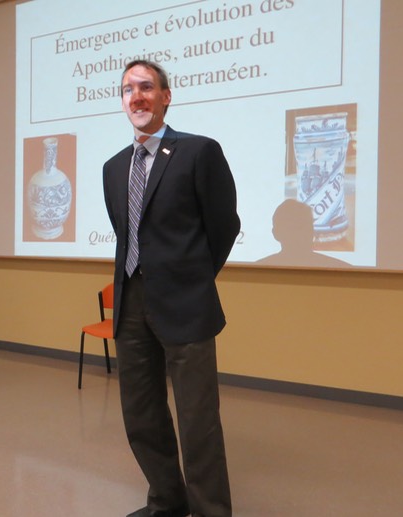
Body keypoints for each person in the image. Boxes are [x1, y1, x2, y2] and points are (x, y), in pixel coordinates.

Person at [103, 60, 240, 517]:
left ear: (166, 96)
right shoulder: (113, 167)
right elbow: (126, 234)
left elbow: (224, 225)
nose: (137, 96)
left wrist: (193, 278)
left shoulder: (198, 152)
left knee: (198, 420)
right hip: (131, 303)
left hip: (186, 303)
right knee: (141, 414)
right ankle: (166, 500)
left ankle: (209, 510)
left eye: (146, 87)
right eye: (128, 89)